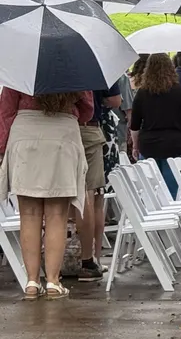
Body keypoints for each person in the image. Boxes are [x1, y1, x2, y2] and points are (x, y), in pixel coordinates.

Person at [0, 89, 90, 300]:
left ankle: (31, 282)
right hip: (62, 135)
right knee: (57, 217)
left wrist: (2, 147)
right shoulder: (75, 68)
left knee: (29, 216)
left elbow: (6, 109)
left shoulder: (22, 67)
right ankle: (53, 281)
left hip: (25, 135)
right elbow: (87, 111)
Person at [129, 54, 181, 199]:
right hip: (174, 143)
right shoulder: (178, 90)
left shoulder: (142, 93)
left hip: (148, 144)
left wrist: (135, 145)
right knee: (172, 189)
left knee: (151, 190)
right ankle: (174, 219)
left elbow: (134, 124)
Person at [74, 81, 122, 282]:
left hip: (60, 129)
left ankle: (61, 259)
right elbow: (115, 100)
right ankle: (91, 259)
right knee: (93, 195)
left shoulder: (46, 65)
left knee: (58, 200)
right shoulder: (96, 64)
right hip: (91, 128)